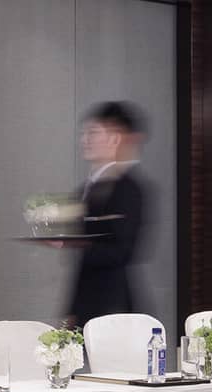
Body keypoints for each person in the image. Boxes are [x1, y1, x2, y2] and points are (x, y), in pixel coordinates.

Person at [62, 101, 148, 327]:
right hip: (86, 302)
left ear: (114, 139)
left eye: (93, 133)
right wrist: (73, 310)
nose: (85, 140)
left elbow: (123, 252)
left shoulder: (128, 188)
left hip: (112, 306)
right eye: (84, 134)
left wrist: (76, 243)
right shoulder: (86, 189)